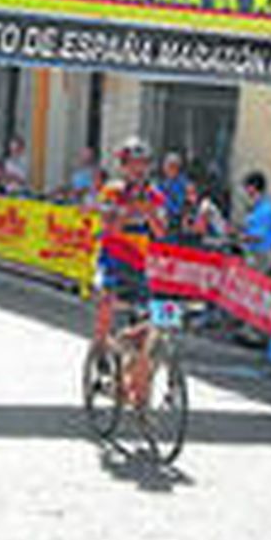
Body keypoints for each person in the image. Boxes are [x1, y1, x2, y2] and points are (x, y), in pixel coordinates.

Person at [92, 138, 167, 405]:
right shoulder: (113, 190)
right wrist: (130, 210)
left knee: (147, 334)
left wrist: (149, 213)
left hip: (138, 267)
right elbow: (110, 228)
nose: (139, 169)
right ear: (123, 166)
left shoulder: (154, 194)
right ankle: (100, 349)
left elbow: (161, 232)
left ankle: (131, 385)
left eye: (143, 164)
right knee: (105, 300)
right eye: (133, 164)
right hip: (110, 262)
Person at [238, 171, 271, 273]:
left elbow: (260, 236)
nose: (246, 191)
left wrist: (243, 237)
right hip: (252, 252)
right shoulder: (255, 208)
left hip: (261, 255)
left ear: (254, 187)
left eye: (247, 187)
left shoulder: (266, 209)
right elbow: (250, 227)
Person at [158, 152, 189, 237]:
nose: (172, 169)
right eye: (169, 166)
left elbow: (188, 199)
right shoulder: (161, 185)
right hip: (166, 215)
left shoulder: (183, 183)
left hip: (179, 215)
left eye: (174, 166)